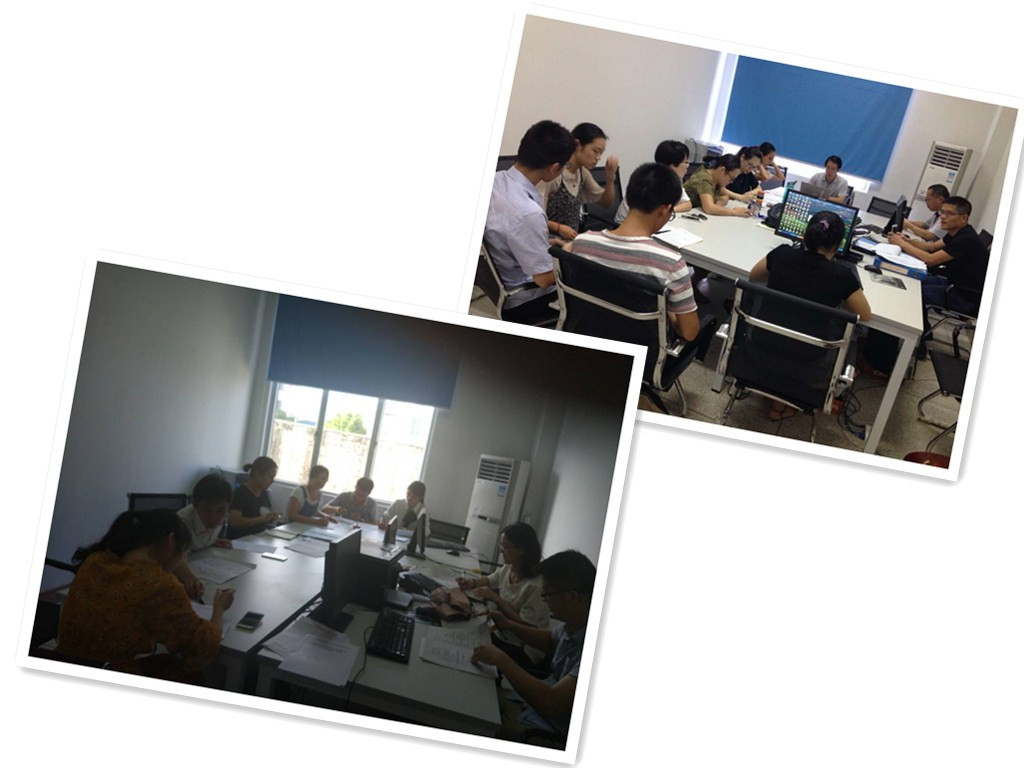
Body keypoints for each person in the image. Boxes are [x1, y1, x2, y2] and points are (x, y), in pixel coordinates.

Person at [56, 508, 234, 679]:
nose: (181, 560)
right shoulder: (160, 584)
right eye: (182, 554)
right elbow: (203, 646)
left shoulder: (96, 560)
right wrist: (218, 609)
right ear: (170, 541)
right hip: (111, 675)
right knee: (190, 673)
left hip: (62, 666)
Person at [569, 162, 712, 351]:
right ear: (664, 210)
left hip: (584, 342)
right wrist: (667, 311)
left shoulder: (582, 243)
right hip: (639, 356)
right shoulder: (670, 264)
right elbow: (689, 332)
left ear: (629, 197)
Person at [749, 210, 872, 419]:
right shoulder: (842, 276)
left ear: (805, 236)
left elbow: (754, 276)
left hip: (762, 345)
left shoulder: (781, 254)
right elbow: (865, 315)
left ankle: (774, 394)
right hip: (809, 361)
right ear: (837, 246)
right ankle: (781, 401)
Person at [471, 550, 596, 741]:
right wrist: (508, 624)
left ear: (572, 597)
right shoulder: (574, 624)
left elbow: (551, 703)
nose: (544, 599)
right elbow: (550, 641)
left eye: (548, 594)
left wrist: (500, 658)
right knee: (477, 694)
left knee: (474, 717)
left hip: (551, 731)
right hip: (536, 705)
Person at [484, 120, 576, 325]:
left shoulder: (495, 181)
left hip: (501, 279)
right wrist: (569, 251)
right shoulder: (528, 214)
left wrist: (548, 243)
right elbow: (543, 279)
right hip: (524, 301)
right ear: (554, 168)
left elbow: (506, 236)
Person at [457, 522, 550, 664]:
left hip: (522, 647)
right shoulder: (509, 567)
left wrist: (497, 599)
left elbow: (525, 625)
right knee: (465, 636)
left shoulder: (536, 586)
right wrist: (471, 583)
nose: (501, 551)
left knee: (470, 653)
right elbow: (492, 579)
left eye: (506, 547)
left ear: (522, 550)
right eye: (501, 546)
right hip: (501, 632)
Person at [887, 196, 988, 315]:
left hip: (964, 296)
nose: (943, 217)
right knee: (910, 281)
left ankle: (919, 326)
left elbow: (931, 260)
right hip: (952, 283)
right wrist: (906, 240)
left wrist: (902, 244)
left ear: (963, 218)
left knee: (913, 294)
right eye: (942, 212)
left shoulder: (966, 238)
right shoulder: (956, 232)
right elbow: (931, 247)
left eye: (949, 214)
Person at [538, 122, 620, 240]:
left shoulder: (582, 172)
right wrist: (558, 228)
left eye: (601, 153)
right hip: (548, 241)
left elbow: (606, 203)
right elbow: (534, 216)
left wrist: (610, 178)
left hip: (570, 242)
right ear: (577, 145)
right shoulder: (554, 173)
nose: (598, 158)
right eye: (595, 151)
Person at [172, 473, 234, 600]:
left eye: (220, 511)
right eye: (206, 510)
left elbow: (197, 539)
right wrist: (190, 577)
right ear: (195, 505)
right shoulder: (181, 523)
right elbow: (176, 556)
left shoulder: (222, 517)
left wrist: (212, 540)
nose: (213, 518)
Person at [613, 139, 693, 224]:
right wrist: (666, 212)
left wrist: (670, 211)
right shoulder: (650, 181)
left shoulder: (672, 181)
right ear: (673, 165)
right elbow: (646, 216)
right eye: (686, 162)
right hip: (625, 225)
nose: (688, 166)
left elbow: (688, 204)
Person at [225, 456, 279, 539]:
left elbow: (263, 516)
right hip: (240, 540)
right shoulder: (240, 493)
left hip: (258, 538)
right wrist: (262, 519)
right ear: (258, 474)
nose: (272, 481)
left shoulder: (264, 493)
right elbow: (235, 522)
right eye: (271, 476)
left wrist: (270, 518)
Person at [683, 154, 752, 217]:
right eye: (731, 178)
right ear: (722, 170)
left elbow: (723, 195)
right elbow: (709, 208)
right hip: (684, 213)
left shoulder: (716, 179)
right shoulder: (704, 179)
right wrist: (734, 212)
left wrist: (721, 201)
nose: (731, 182)